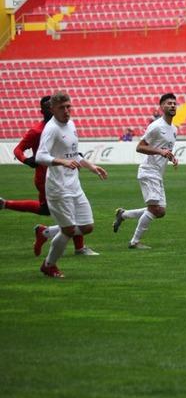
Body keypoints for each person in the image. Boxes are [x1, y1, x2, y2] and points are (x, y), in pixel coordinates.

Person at [0, 96, 95, 256]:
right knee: (62, 212)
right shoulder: (38, 130)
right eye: (48, 107)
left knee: (59, 211)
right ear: (44, 110)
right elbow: (18, 149)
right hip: (46, 176)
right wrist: (26, 160)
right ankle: (74, 247)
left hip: (65, 174)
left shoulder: (65, 126)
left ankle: (8, 206)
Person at [35, 91, 108, 277]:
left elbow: (74, 154)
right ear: (52, 109)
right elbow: (40, 156)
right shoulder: (51, 129)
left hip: (74, 185)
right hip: (58, 187)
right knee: (68, 230)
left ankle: (46, 232)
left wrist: (91, 166)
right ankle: (49, 265)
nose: (67, 111)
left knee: (87, 227)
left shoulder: (71, 124)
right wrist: (62, 162)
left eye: (69, 107)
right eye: (62, 108)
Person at [112, 93, 179, 250]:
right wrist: (160, 152)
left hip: (157, 173)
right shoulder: (155, 126)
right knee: (154, 209)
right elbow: (140, 147)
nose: (172, 105)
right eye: (169, 103)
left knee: (160, 211)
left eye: (174, 103)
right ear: (161, 107)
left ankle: (123, 214)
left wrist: (171, 157)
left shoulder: (174, 129)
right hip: (148, 171)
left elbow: (165, 149)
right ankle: (134, 242)